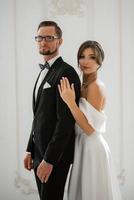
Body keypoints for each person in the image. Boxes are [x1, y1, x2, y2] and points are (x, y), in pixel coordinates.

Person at [23, 20, 81, 200]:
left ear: (60, 41)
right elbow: (40, 116)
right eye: (40, 38)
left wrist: (49, 160)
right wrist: (30, 149)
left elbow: (65, 122)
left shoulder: (65, 72)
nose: (43, 42)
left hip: (54, 156)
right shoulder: (44, 71)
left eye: (49, 37)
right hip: (39, 152)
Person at [58, 40, 122, 200]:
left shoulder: (96, 86)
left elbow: (89, 128)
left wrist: (71, 102)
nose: (85, 61)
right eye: (82, 56)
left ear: (99, 62)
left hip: (92, 147)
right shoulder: (83, 85)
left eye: (92, 57)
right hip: (82, 145)